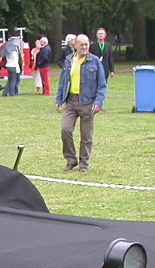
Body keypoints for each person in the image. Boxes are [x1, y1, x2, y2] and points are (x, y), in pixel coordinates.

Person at [55, 33, 107, 172]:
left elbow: (102, 85)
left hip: (88, 103)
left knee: (86, 136)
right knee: (65, 130)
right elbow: (63, 81)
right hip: (71, 101)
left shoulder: (95, 62)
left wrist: (98, 102)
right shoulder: (69, 60)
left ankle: (84, 163)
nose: (84, 47)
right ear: (75, 45)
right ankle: (71, 160)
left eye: (86, 44)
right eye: (82, 44)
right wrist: (59, 100)